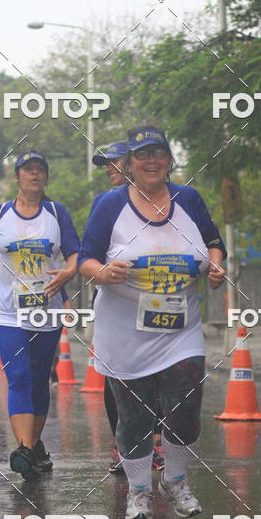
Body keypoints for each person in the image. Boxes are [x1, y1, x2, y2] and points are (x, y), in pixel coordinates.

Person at [79, 125, 226, 519]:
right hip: (125, 333)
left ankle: (175, 481)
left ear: (169, 160)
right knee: (135, 418)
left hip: (181, 331)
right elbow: (86, 259)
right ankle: (140, 491)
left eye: (159, 153)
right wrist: (104, 272)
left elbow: (214, 242)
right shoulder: (110, 205)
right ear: (128, 164)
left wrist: (215, 267)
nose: (151, 161)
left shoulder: (189, 199)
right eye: (142, 155)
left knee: (185, 404)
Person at [0, 151, 80, 479]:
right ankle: (25, 450)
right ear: (17, 177)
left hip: (46, 312)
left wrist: (69, 274)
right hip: (7, 313)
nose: (34, 175)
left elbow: (75, 255)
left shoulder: (56, 212)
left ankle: (34, 446)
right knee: (20, 378)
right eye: (28, 170)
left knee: (40, 380)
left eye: (40, 169)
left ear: (45, 177)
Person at [92, 141, 166, 474]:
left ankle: (157, 443)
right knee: (116, 377)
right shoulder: (103, 204)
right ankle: (125, 446)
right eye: (104, 163)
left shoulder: (165, 199)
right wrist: (101, 271)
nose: (108, 168)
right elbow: (90, 253)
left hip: (157, 299)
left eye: (113, 161)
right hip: (116, 305)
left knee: (157, 374)